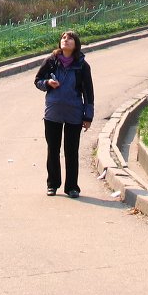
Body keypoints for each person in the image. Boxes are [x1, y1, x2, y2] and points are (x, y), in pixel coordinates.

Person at [34, 31, 94, 198]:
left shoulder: (82, 65)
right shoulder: (51, 61)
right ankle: (52, 184)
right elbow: (37, 80)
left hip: (74, 113)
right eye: (63, 38)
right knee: (53, 149)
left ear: (76, 44)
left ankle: (72, 187)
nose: (66, 41)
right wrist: (47, 83)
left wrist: (88, 116)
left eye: (70, 39)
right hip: (53, 113)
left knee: (71, 151)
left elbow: (88, 92)